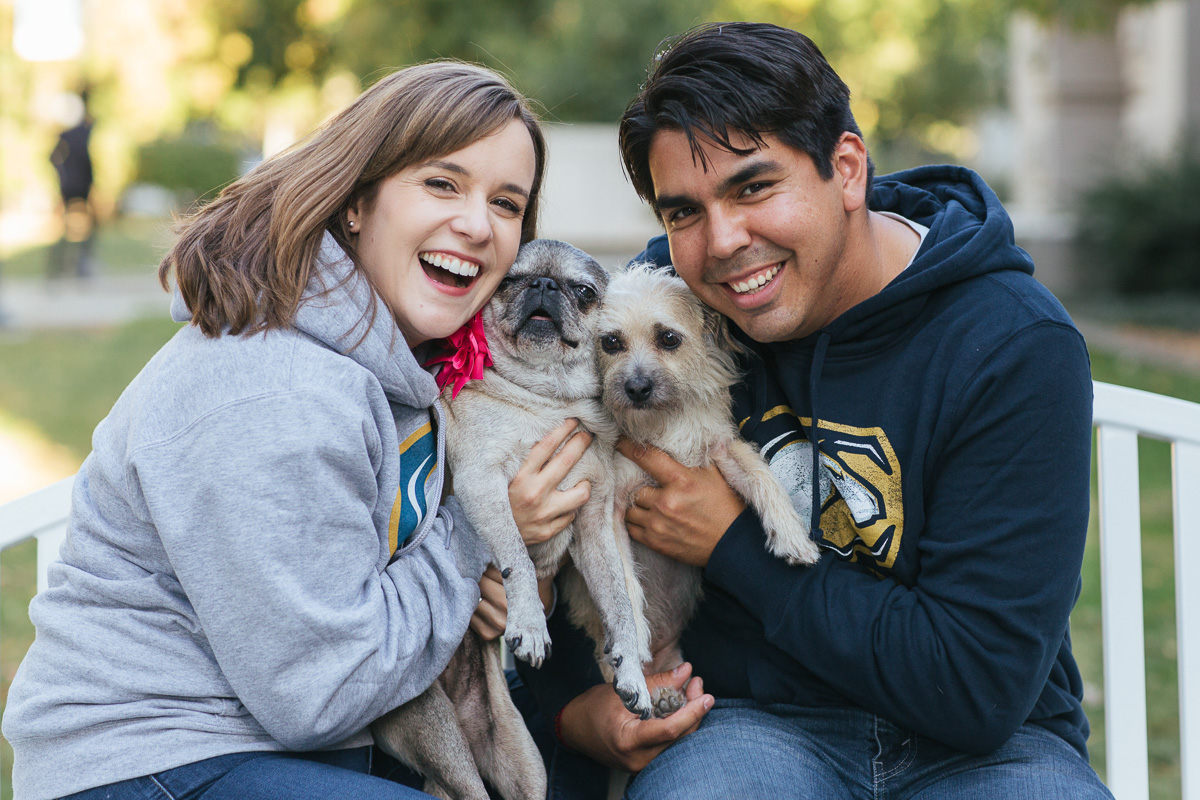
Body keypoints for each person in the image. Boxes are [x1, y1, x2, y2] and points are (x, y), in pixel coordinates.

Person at [517, 21, 1112, 799]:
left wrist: (732, 542)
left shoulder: (1010, 343)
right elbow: (573, 515)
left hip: (993, 751)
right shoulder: (666, 315)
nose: (724, 241)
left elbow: (976, 686)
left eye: (753, 186)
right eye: (683, 212)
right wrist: (573, 710)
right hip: (747, 725)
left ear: (847, 169)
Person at [3, 60, 582, 800]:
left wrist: (476, 579)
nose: (476, 224)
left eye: (507, 203)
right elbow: (319, 691)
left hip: (279, 753)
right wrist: (477, 531)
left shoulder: (396, 368)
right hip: (156, 762)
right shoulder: (271, 385)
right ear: (356, 203)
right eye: (441, 183)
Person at [47, 89, 97, 279]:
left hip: (75, 185)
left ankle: (77, 265)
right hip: (77, 186)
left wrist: (63, 175)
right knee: (70, 228)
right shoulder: (76, 134)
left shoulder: (69, 135)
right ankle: (69, 266)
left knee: (78, 228)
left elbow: (53, 158)